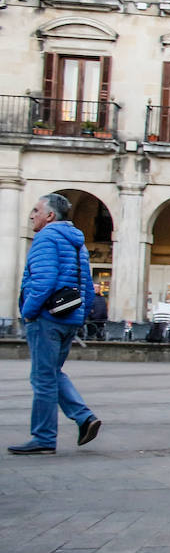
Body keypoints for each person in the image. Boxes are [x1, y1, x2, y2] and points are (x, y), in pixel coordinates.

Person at [8, 193, 101, 455]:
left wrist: (28, 312)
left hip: (47, 318)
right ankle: (84, 418)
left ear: (50, 215)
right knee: (52, 373)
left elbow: (42, 282)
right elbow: (87, 286)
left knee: (43, 378)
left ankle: (44, 437)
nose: (31, 215)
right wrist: (80, 316)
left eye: (36, 210)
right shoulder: (76, 243)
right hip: (69, 318)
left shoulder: (46, 238)